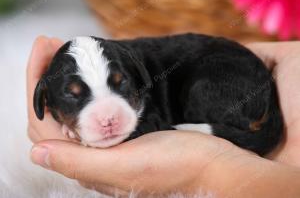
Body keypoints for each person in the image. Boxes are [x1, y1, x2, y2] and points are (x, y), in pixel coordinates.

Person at [27, 36, 300, 197]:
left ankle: (241, 129)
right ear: (46, 103)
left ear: (138, 77)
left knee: (201, 90)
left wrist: (205, 169)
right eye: (75, 96)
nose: (107, 116)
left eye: (119, 85)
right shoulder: (53, 88)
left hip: (226, 71)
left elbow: (153, 119)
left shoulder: (139, 69)